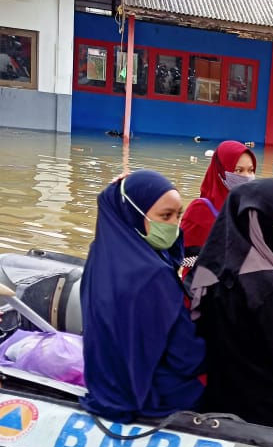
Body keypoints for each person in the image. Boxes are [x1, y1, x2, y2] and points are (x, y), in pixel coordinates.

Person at [80, 171, 205, 421]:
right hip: (152, 394)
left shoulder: (102, 253)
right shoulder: (154, 276)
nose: (174, 226)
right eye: (165, 216)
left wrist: (113, 193)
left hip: (105, 385)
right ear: (135, 215)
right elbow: (187, 358)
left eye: (178, 216)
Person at [189, 178, 273, 430]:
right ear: (259, 225)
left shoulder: (212, 264)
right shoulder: (270, 289)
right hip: (265, 411)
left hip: (219, 395)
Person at [180, 141, 257, 260]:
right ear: (220, 172)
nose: (247, 176)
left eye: (251, 170)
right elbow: (181, 255)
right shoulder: (200, 209)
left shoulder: (252, 209)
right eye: (238, 170)